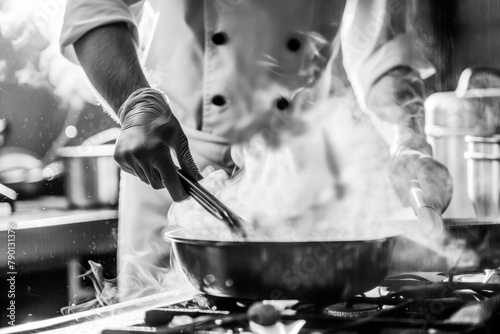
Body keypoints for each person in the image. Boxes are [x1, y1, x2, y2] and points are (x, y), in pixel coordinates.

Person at [60, 0, 452, 300]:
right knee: (162, 312)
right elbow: (95, 8)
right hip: (173, 162)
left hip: (300, 177)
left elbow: (383, 47)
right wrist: (136, 101)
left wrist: (407, 138)